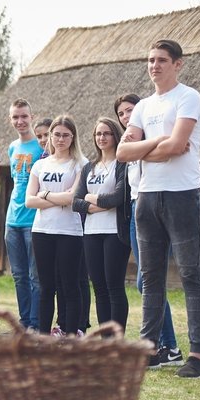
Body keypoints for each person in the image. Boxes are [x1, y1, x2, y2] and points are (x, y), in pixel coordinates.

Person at [117, 39, 200, 378]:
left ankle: (197, 357)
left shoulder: (188, 97)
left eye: (162, 60)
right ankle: (150, 350)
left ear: (178, 64)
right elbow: (125, 154)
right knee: (150, 277)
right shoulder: (141, 107)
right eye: (151, 60)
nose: (154, 66)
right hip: (146, 197)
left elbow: (179, 145)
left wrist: (147, 146)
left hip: (181, 195)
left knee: (190, 274)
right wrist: (158, 143)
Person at [115, 94, 181, 365]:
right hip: (135, 209)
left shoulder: (152, 135)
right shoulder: (126, 144)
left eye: (130, 110)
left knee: (147, 281)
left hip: (157, 204)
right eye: (121, 113)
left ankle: (169, 346)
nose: (126, 116)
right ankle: (167, 346)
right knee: (146, 282)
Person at [26, 116, 87, 337]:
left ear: (73, 138)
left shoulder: (81, 163)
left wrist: (47, 194)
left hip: (69, 232)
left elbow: (73, 197)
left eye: (65, 135)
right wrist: (57, 199)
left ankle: (71, 334)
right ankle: (43, 335)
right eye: (57, 134)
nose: (60, 139)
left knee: (69, 286)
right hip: (42, 231)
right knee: (46, 287)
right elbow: (29, 200)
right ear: (50, 136)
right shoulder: (40, 164)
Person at [72, 118, 130, 329]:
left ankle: (117, 340)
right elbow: (75, 202)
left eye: (106, 133)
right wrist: (95, 202)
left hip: (115, 232)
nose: (102, 138)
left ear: (115, 135)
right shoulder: (89, 167)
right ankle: (105, 340)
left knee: (114, 286)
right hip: (91, 233)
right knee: (99, 288)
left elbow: (117, 198)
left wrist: (90, 198)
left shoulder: (123, 165)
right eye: (98, 134)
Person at [5, 99, 43, 330]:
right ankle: (24, 320)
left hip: (33, 219)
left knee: (35, 276)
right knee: (18, 276)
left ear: (32, 116)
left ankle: (36, 323)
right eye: (15, 117)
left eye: (24, 116)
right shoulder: (11, 147)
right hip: (12, 219)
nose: (20, 121)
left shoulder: (41, 148)